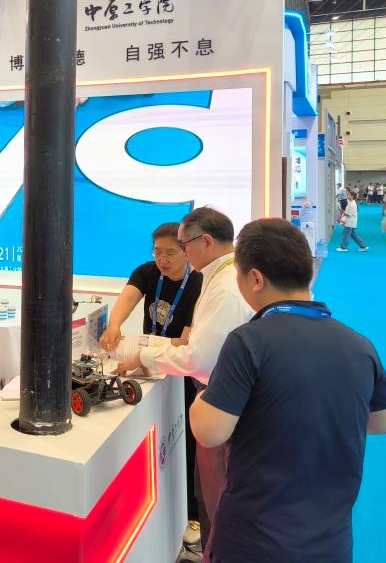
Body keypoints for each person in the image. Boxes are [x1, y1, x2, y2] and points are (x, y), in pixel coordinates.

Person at [189, 218, 386, 562]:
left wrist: (200, 400)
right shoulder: (358, 344)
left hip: (254, 541)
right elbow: (385, 421)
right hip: (330, 543)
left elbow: (210, 432)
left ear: (256, 279)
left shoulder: (249, 341)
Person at [115, 207, 254, 551]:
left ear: (205, 242)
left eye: (182, 246)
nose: (177, 254)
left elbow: (199, 357)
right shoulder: (221, 277)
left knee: (216, 488)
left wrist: (145, 357)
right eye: (159, 251)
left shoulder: (222, 287)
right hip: (219, 389)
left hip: (218, 393)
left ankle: (215, 548)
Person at [99, 222, 204, 549]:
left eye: (170, 253)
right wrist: (114, 325)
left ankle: (193, 513)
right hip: (149, 367)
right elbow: (128, 298)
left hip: (182, 370)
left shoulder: (198, 282)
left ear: (186, 251)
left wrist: (152, 352)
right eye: (157, 252)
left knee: (186, 441)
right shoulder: (147, 272)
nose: (162, 260)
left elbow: (185, 341)